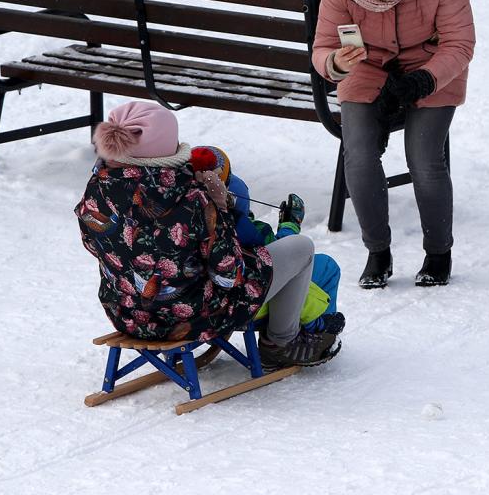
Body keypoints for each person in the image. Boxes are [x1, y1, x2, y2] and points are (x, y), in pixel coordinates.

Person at [74, 101, 342, 368]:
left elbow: (94, 246)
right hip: (193, 318)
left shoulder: (95, 190)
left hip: (128, 314)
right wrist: (221, 208)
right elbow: (229, 275)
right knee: (301, 248)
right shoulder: (192, 197)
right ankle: (281, 343)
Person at [312, 0, 476, 289]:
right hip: (367, 68)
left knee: (424, 159)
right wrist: (338, 63)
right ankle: (378, 251)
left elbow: (459, 44)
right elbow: (323, 47)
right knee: (359, 154)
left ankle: (438, 252)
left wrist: (423, 80)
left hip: (430, 71)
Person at [189, 145, 344, 335]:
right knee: (326, 266)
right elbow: (280, 261)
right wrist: (290, 226)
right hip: (238, 306)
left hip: (187, 307)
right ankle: (317, 334)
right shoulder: (236, 227)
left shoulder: (172, 222)